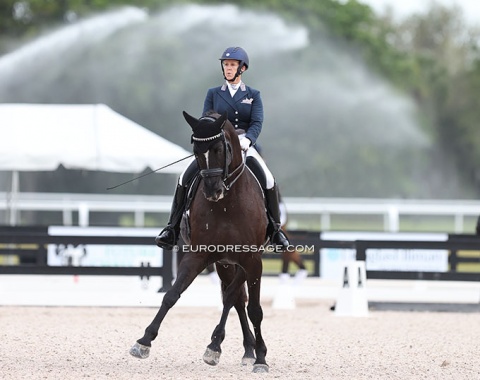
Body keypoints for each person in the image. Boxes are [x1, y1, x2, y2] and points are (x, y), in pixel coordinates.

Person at [155, 46, 289, 250]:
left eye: (232, 65)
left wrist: (248, 140)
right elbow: (205, 119)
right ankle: (171, 228)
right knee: (184, 178)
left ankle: (276, 230)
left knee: (269, 180)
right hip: (217, 145)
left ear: (242, 68)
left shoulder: (253, 94)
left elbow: (257, 122)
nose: (228, 68)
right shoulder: (214, 93)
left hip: (244, 145)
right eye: (225, 65)